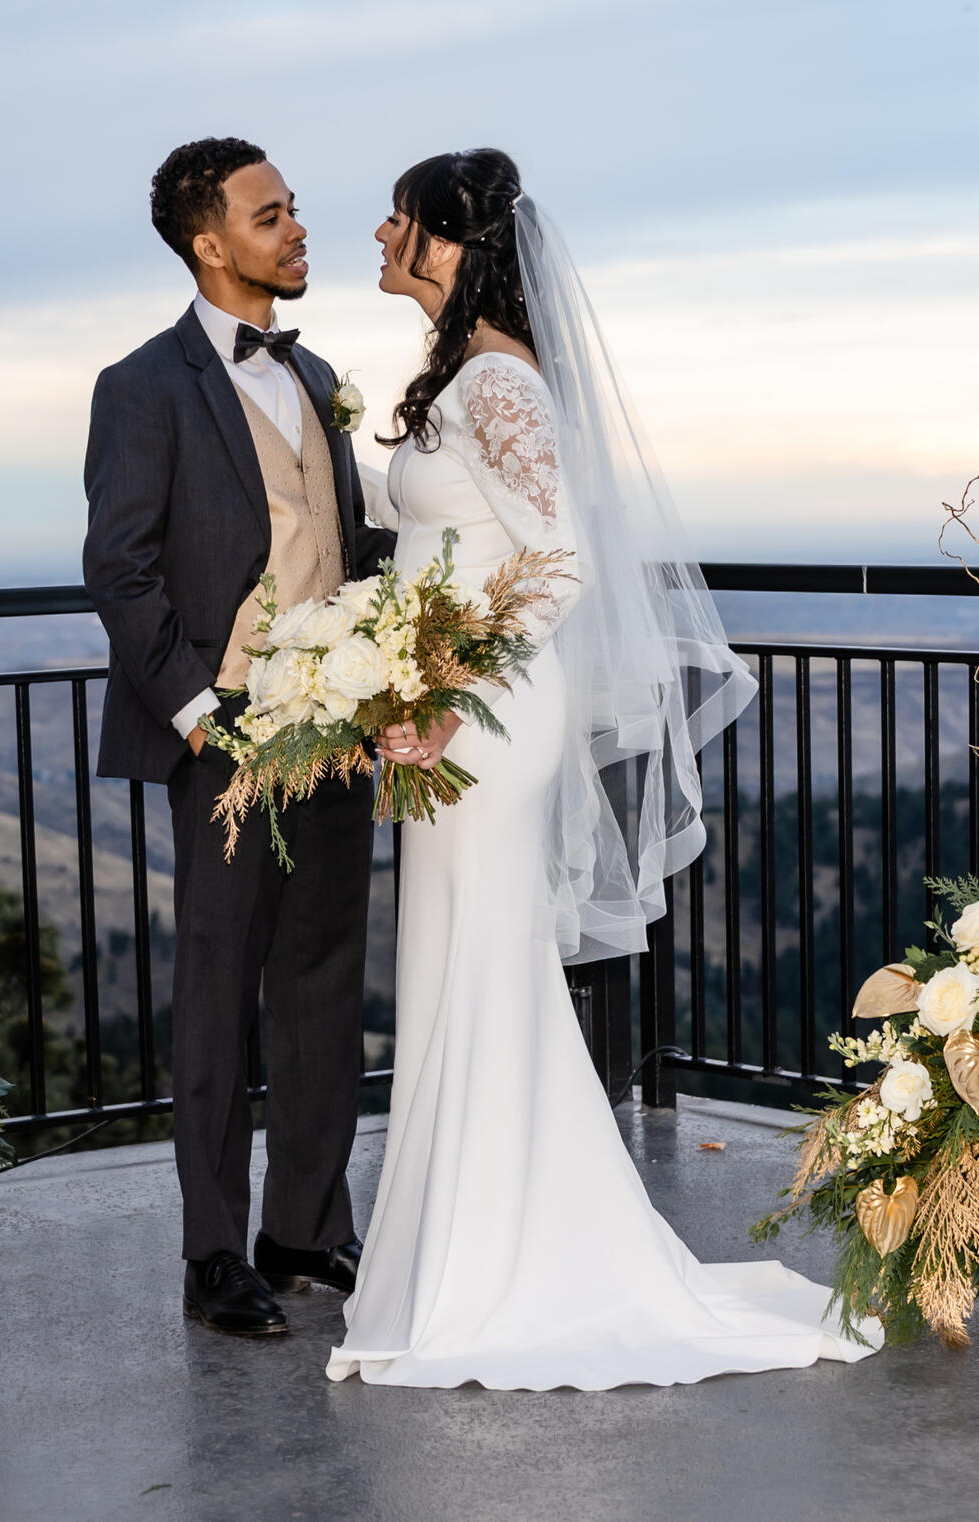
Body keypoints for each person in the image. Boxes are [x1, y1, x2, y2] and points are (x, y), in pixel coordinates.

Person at [325, 149, 880, 1389]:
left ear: (445, 241)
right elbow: (445, 522)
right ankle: (465, 1251)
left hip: (487, 716)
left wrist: (445, 697)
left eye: (398, 217)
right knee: (459, 966)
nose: (379, 232)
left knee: (480, 961)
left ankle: (499, 1266)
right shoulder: (464, 373)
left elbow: (562, 560)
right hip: (455, 705)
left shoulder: (498, 380)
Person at [83, 137, 395, 1338]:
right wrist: (197, 714)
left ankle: (304, 1225)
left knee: (323, 979)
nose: (297, 229)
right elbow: (121, 568)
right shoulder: (141, 385)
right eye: (271, 217)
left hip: (334, 727)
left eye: (293, 209)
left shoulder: (313, 374)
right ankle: (214, 1251)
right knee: (219, 994)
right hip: (223, 738)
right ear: (210, 243)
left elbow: (337, 538)